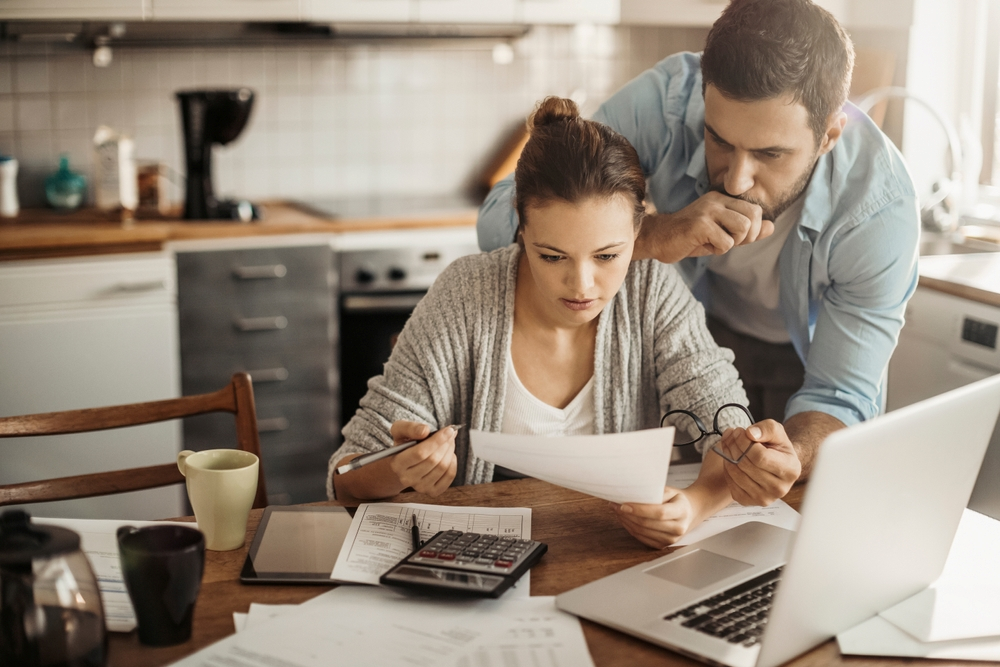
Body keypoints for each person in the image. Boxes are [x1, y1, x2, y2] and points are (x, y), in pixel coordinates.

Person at [477, 0, 919, 504]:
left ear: (829, 136)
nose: (736, 178)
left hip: (795, 363)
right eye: (718, 139)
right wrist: (651, 236)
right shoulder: (665, 102)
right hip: (678, 350)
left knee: (780, 521)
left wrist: (792, 453)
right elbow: (497, 220)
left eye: (770, 154)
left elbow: (841, 395)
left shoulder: (879, 212)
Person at [328, 97, 801, 548]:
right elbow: (344, 476)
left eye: (608, 256)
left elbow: (728, 435)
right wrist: (398, 469)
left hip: (606, 556)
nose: (581, 284)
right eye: (552, 256)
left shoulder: (651, 289)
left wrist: (696, 504)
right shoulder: (465, 295)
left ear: (639, 231)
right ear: (521, 227)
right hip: (475, 563)